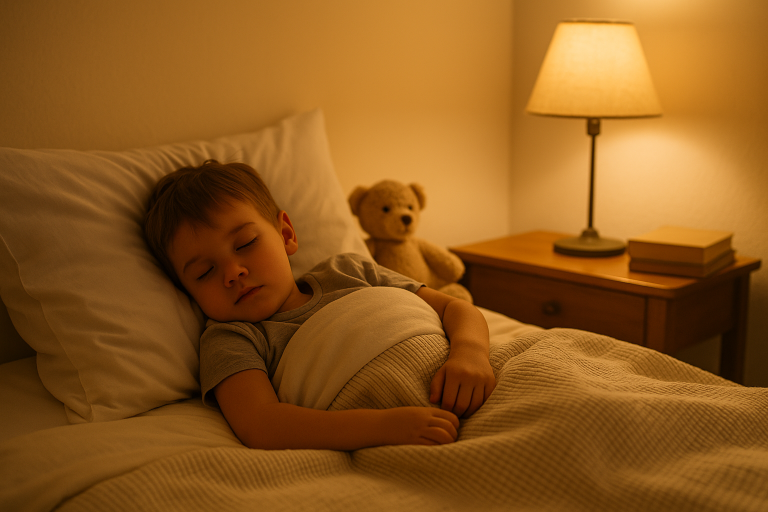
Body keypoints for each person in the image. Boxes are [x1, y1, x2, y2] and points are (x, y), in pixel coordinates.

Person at [144, 160, 496, 451]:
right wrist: (384, 427)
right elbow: (260, 423)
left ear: (286, 235)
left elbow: (455, 308)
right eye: (205, 272)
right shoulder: (231, 338)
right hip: (401, 430)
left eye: (246, 243)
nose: (233, 273)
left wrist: (470, 353)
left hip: (478, 380)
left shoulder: (348, 269)